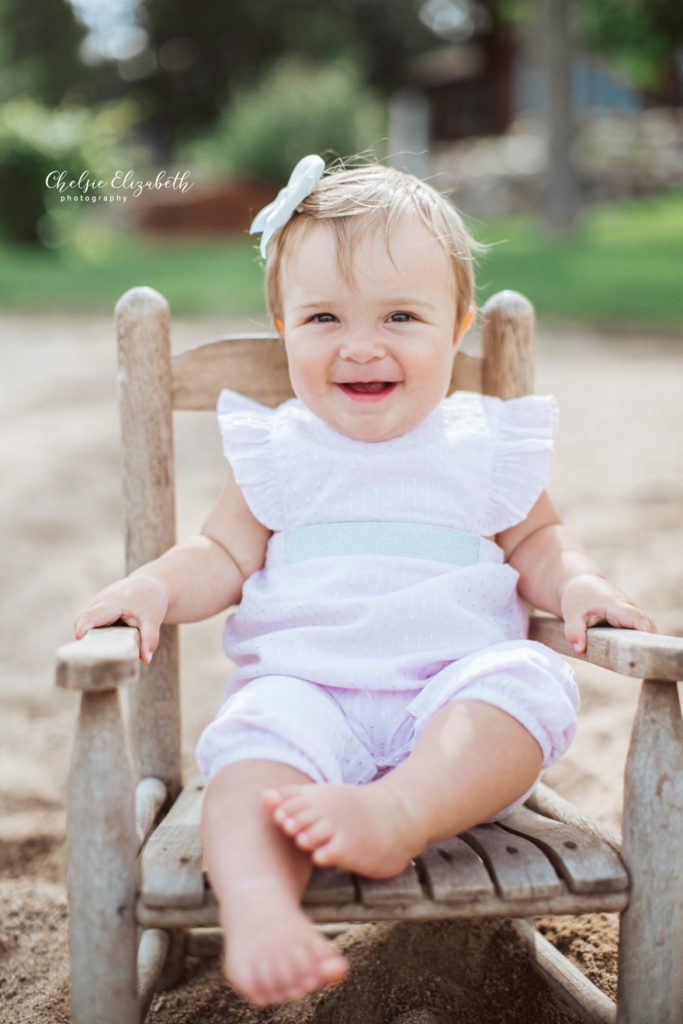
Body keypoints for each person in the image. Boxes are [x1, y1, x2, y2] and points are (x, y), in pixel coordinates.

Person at [74, 154, 657, 1009]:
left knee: (525, 682)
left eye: (399, 315)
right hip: (307, 692)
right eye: (321, 317)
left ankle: (401, 814)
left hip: (451, 697)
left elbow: (540, 539)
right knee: (247, 758)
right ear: (282, 327)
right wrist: (157, 588)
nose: (359, 345)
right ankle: (260, 906)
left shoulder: (484, 444)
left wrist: (576, 585)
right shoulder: (281, 451)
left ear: (457, 328)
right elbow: (220, 558)